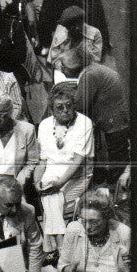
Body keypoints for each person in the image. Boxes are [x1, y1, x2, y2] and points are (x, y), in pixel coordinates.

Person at [35, 83, 94, 251]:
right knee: (50, 193)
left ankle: (54, 246)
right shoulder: (45, 125)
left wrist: (59, 184)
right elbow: (42, 161)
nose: (65, 110)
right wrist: (36, 181)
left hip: (77, 175)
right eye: (59, 107)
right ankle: (62, 243)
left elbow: (78, 161)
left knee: (51, 197)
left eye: (69, 105)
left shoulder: (84, 123)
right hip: (51, 174)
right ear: (52, 110)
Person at [61, 49, 129, 184]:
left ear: (75, 65)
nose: (62, 69)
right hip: (116, 116)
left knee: (117, 158)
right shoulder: (92, 70)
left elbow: (80, 104)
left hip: (115, 121)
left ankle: (116, 188)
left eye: (64, 66)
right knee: (117, 155)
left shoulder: (89, 75)